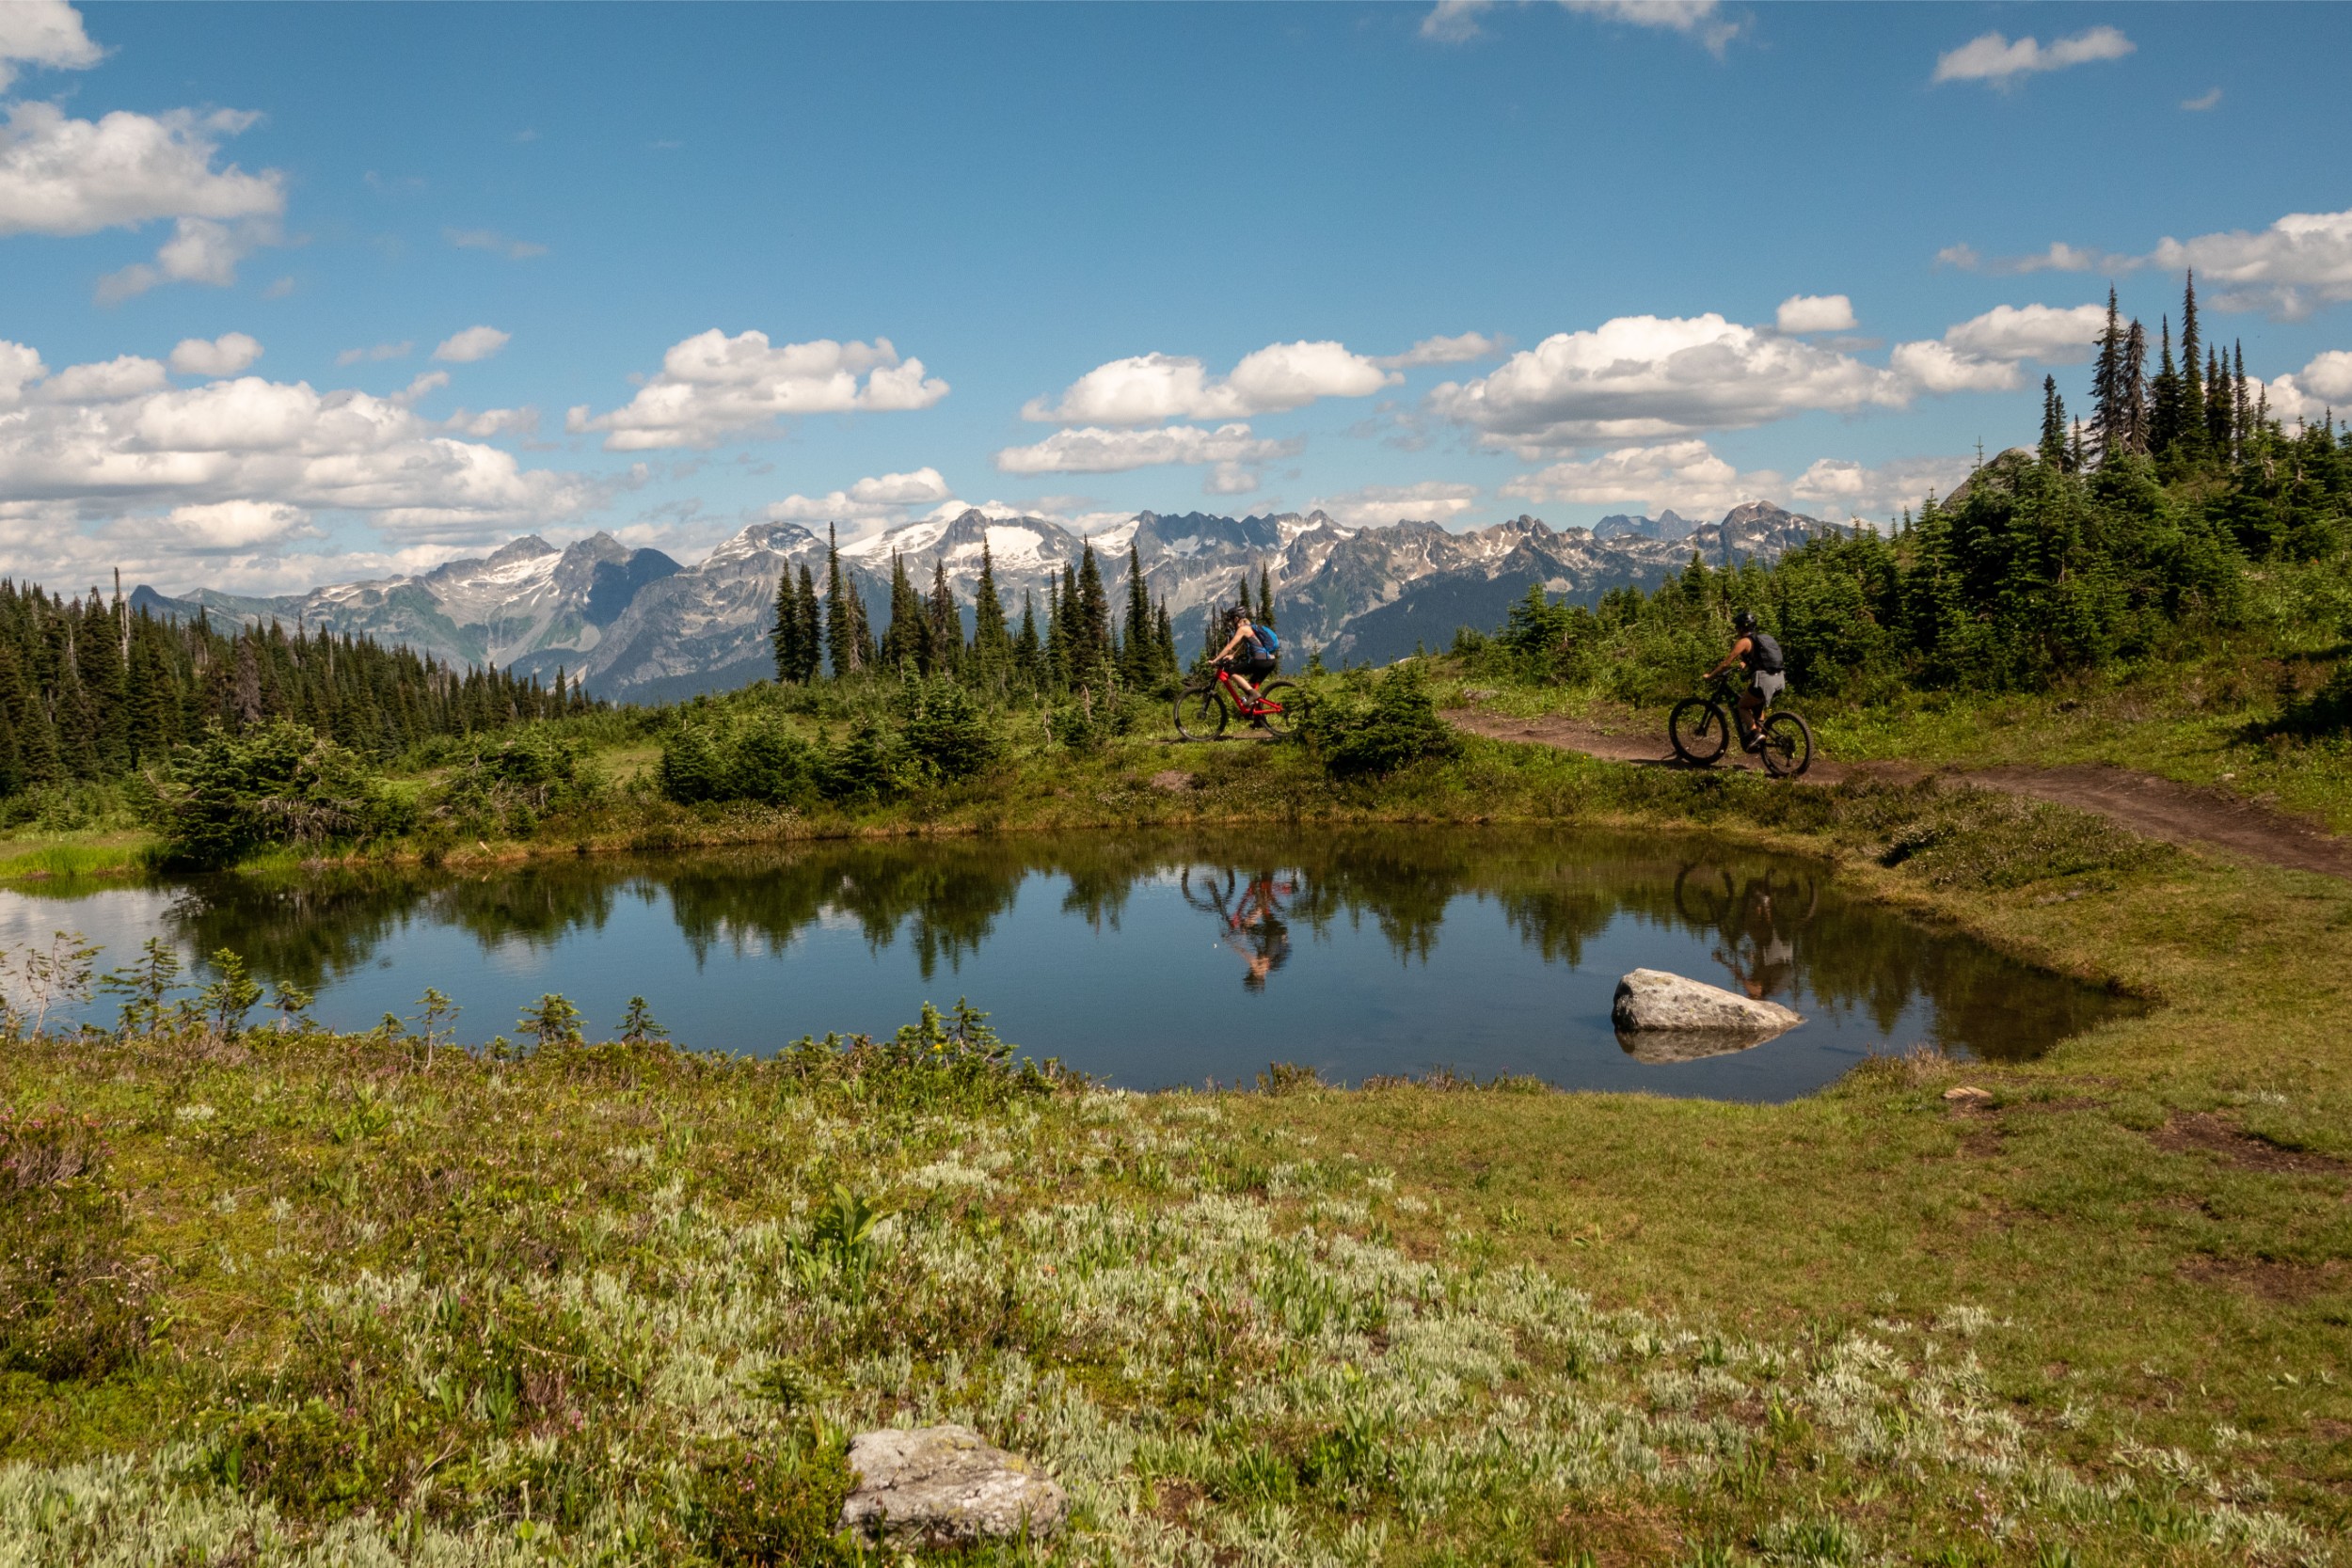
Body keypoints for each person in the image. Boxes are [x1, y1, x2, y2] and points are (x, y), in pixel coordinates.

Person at [1702, 610, 1784, 752]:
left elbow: (1725, 664)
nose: (1736, 630)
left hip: (1764, 681)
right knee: (1757, 706)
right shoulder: (1760, 639)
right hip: (1779, 679)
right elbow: (1761, 658)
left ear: (1741, 627)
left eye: (1737, 627)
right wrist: (1744, 664)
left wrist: (1711, 676)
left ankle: (1756, 734)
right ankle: (1760, 738)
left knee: (1742, 706)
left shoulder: (1743, 642)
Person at [1212, 605, 1279, 705]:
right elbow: (1245, 644)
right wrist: (1234, 655)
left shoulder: (1242, 629)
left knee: (1232, 672)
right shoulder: (1249, 628)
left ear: (1236, 619)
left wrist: (1215, 660)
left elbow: (1229, 647)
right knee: (1249, 685)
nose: (1230, 623)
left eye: (1231, 620)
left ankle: (1253, 696)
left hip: (1260, 661)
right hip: (1270, 661)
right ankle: (1256, 714)